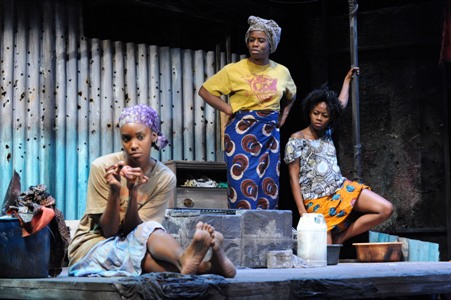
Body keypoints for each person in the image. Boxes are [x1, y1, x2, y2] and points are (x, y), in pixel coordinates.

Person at [67, 104, 236, 278]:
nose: (133, 145)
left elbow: (140, 231)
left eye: (140, 137)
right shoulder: (103, 167)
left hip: (132, 240)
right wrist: (115, 192)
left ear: (153, 136)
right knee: (136, 256)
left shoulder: (164, 177)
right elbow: (109, 232)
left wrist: (134, 192)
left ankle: (183, 258)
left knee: (150, 229)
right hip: (93, 246)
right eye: (126, 139)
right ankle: (206, 267)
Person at [284, 67, 394, 244]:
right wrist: (302, 211)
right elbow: (293, 177)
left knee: (385, 209)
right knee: (324, 255)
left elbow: (340, 105)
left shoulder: (327, 133)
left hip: (339, 189)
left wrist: (347, 81)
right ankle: (332, 240)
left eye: (325, 115)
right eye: (316, 113)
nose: (320, 118)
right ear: (309, 112)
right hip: (316, 200)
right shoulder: (296, 139)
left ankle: (341, 238)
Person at [198, 15, 297, 210]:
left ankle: (264, 235)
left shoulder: (282, 72)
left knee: (268, 183)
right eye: (251, 40)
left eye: (261, 41)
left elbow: (291, 95)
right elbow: (205, 91)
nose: (255, 44)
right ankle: (241, 234)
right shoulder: (233, 70)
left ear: (270, 44)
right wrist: (228, 108)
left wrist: (283, 116)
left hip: (269, 134)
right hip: (241, 132)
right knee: (242, 183)